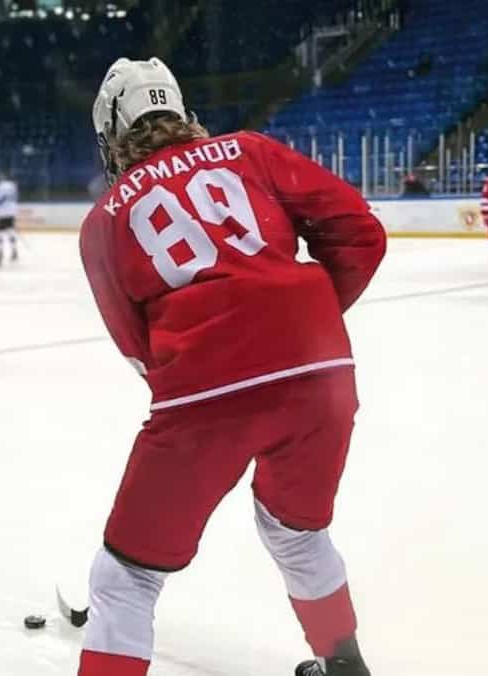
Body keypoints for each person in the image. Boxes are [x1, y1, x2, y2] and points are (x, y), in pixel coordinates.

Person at [78, 57, 385, 676]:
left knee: (127, 576)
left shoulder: (105, 220)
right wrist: (306, 321)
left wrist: (211, 359)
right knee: (296, 532)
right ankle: (344, 665)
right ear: (182, 110)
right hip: (319, 375)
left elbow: (134, 343)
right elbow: (360, 232)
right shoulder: (249, 150)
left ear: (112, 132)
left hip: (203, 396)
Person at [0, 172, 19, 263]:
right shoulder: (13, 185)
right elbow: (15, 197)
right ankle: (14, 250)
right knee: (11, 231)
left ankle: (0, 251)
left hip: (2, 212)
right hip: (12, 211)